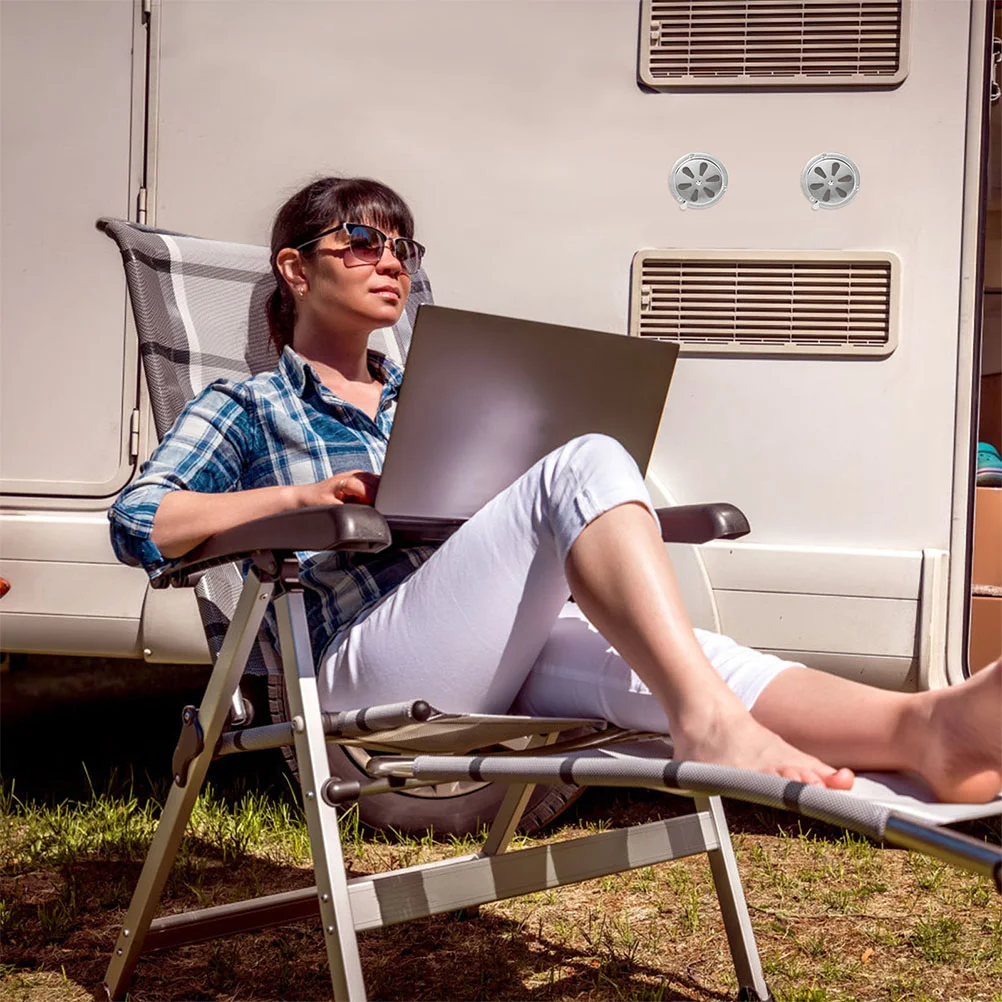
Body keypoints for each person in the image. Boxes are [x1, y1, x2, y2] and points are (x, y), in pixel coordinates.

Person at [109, 176, 1002, 804]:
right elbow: (140, 520)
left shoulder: (435, 397)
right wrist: (304, 500)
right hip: (350, 676)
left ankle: (927, 729)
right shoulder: (251, 404)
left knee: (666, 654)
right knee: (587, 461)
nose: (393, 261)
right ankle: (708, 727)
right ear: (297, 269)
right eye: (364, 240)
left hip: (480, 652)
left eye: (404, 246)